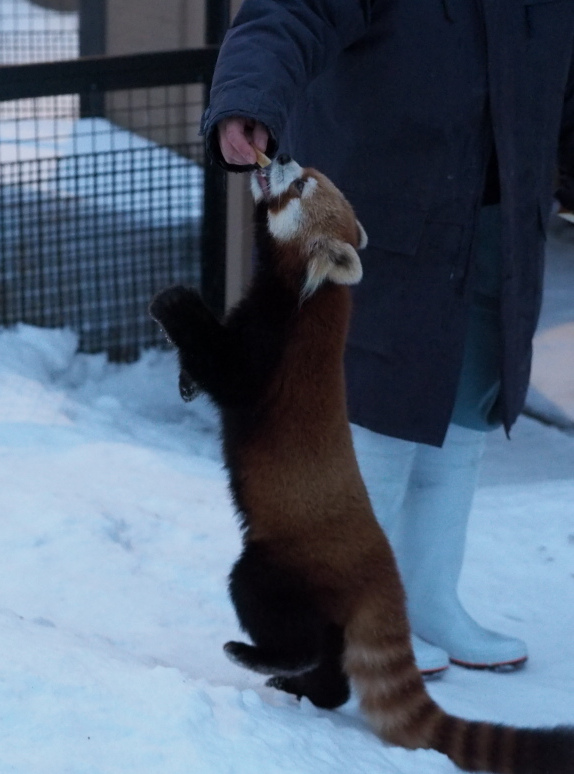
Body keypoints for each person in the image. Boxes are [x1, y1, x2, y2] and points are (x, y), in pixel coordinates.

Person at [200, 0, 574, 676]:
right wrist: (251, 97)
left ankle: (428, 601)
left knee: (464, 412)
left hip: (499, 215)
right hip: (385, 212)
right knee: (378, 411)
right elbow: (291, 13)